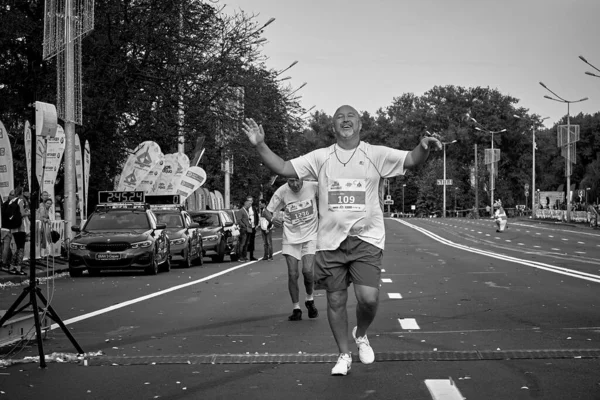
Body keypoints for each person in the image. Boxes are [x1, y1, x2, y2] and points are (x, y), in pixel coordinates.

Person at [242, 105, 441, 376]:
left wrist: (424, 146)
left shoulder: (375, 154)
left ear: (360, 125)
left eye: (351, 117)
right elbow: (285, 167)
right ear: (333, 127)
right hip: (329, 243)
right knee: (336, 301)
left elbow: (411, 159)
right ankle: (344, 354)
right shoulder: (321, 157)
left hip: (366, 239)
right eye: (340, 117)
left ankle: (361, 333)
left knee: (368, 299)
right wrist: (261, 145)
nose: (345, 120)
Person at [264, 178, 319, 321]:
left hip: (310, 235)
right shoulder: (282, 191)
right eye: (291, 181)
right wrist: (272, 219)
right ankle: (296, 308)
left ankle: (309, 299)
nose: (294, 185)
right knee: (292, 274)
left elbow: (329, 199)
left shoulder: (313, 187)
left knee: (307, 271)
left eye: (297, 181)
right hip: (290, 237)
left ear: (303, 178)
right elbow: (266, 211)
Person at [8, 187, 30, 275]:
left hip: (13, 227)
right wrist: (28, 213)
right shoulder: (20, 201)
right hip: (20, 227)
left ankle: (12, 267)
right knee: (21, 248)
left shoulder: (11, 201)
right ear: (21, 193)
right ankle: (18, 268)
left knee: (17, 248)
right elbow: (22, 213)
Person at [237, 197, 252, 262]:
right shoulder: (241, 211)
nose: (249, 205)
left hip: (248, 229)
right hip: (244, 229)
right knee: (242, 243)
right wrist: (244, 226)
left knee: (246, 243)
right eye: (249, 204)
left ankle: (244, 256)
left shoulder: (247, 211)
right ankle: (240, 257)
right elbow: (239, 220)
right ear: (245, 203)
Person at [245, 196, 259, 261]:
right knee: (246, 241)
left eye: (251, 201)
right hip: (247, 227)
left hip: (253, 227)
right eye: (248, 200)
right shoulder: (245, 208)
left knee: (252, 242)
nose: (250, 202)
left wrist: (256, 224)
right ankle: (244, 256)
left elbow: (256, 216)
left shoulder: (253, 208)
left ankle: (251, 256)